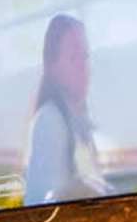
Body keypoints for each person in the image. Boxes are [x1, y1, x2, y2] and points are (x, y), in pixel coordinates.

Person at [19, 11, 100, 207]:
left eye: (85, 56)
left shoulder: (78, 121)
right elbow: (45, 206)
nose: (83, 67)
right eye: (74, 57)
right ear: (53, 67)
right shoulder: (49, 120)